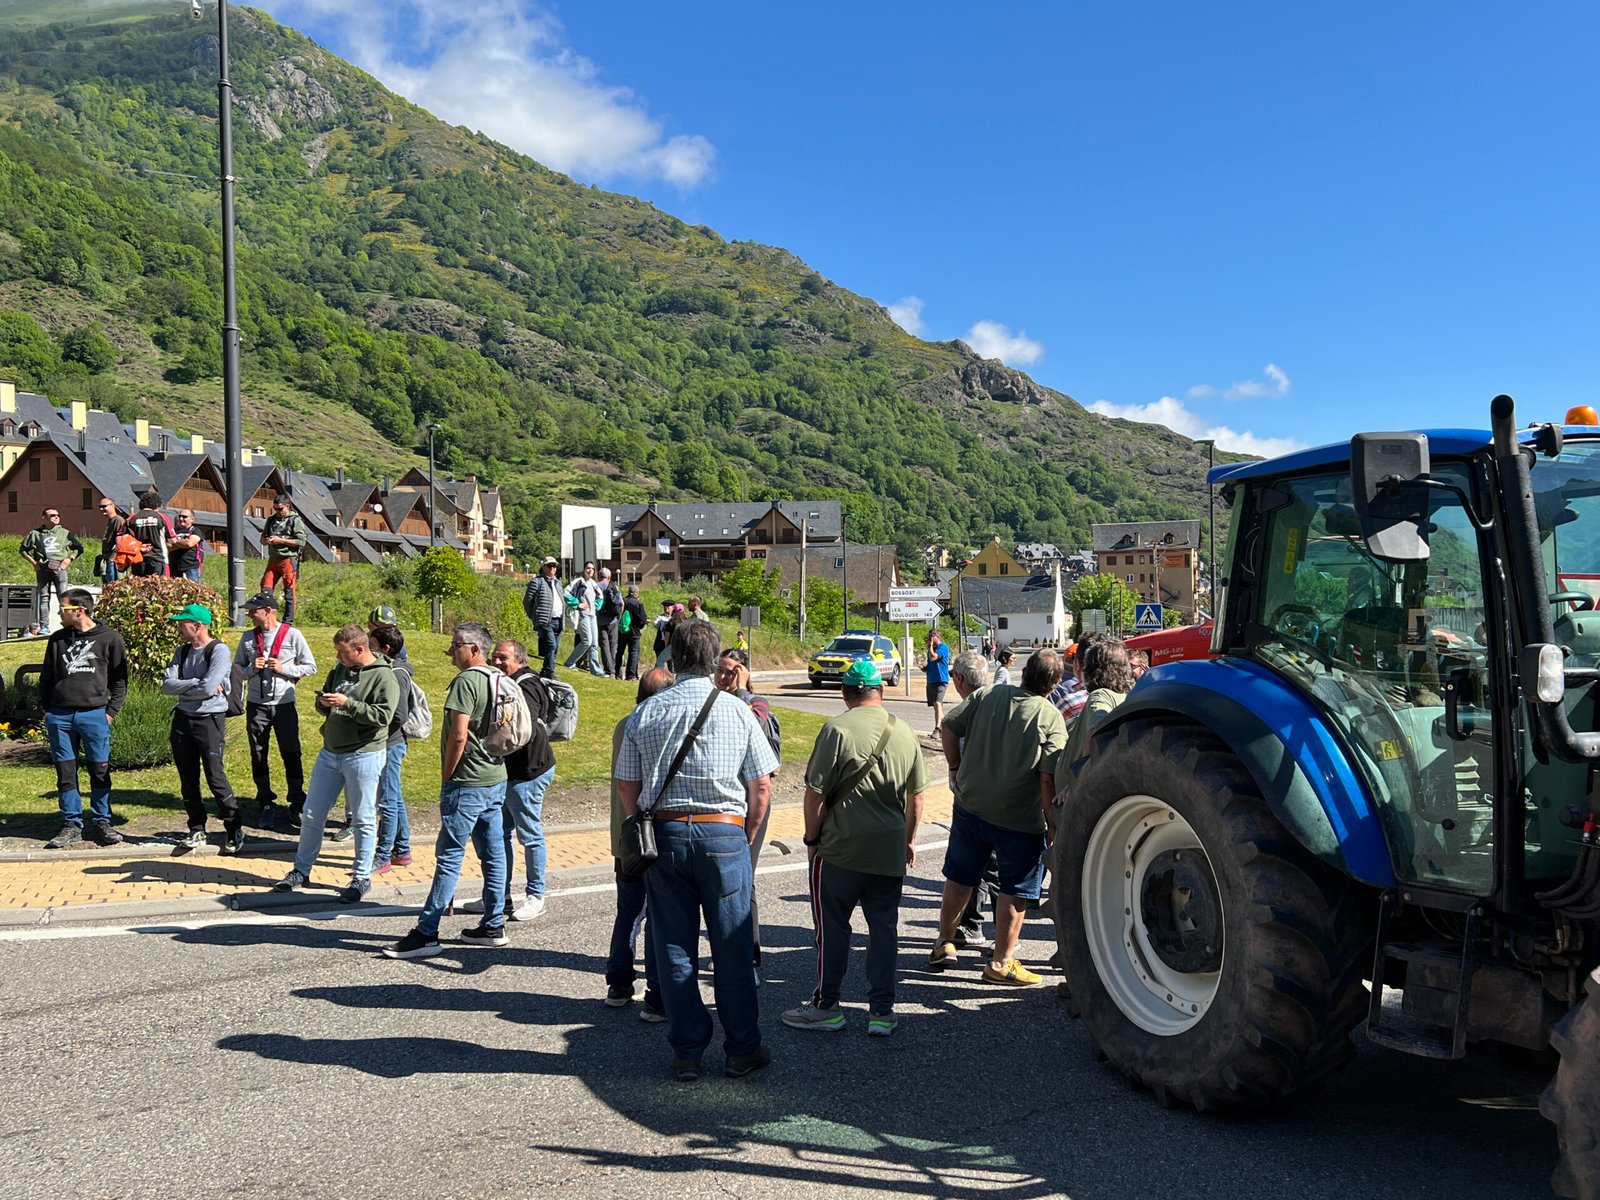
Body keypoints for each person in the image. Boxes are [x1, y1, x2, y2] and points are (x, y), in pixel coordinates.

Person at [615, 619, 779, 1081]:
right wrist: (745, 833)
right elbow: (761, 785)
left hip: (664, 834)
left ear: (673, 655)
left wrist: (640, 819)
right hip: (723, 832)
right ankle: (741, 1047)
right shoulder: (738, 711)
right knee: (731, 944)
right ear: (714, 659)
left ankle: (687, 1049)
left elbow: (627, 780)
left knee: (672, 943)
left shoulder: (646, 712)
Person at [783, 659, 927, 1036]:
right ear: (881, 690)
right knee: (884, 930)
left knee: (832, 927)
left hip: (841, 849)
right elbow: (917, 798)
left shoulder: (835, 730)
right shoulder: (905, 731)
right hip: (888, 850)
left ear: (845, 692)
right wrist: (909, 840)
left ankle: (827, 1006)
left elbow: (815, 794)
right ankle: (881, 1012)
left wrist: (812, 840)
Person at [929, 647, 1067, 985]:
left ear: (1024, 672)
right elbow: (1047, 778)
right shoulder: (1049, 717)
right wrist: (1052, 822)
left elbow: (948, 724)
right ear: (1054, 683)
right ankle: (1001, 962)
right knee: (1015, 888)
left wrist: (955, 766)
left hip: (971, 804)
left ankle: (945, 941)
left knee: (961, 876)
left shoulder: (989, 694)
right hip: (1019, 817)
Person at [384, 622, 511, 958]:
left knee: (450, 855)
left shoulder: (467, 682)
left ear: (474, 649)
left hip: (466, 782)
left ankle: (427, 931)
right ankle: (494, 923)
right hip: (495, 777)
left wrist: (447, 773)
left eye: (456, 645)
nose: (451, 651)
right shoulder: (498, 678)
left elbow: (459, 735)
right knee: (493, 853)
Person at [273, 625, 399, 902]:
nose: (339, 658)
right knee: (312, 814)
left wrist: (348, 704)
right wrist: (324, 702)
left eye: (343, 653)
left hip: (364, 754)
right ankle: (301, 870)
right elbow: (327, 700)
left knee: (364, 818)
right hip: (330, 752)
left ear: (360, 650)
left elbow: (384, 717)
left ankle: (361, 877)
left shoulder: (384, 677)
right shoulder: (339, 669)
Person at [605, 668, 674, 1016]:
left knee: (628, 912)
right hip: (654, 833)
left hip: (626, 837)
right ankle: (657, 993)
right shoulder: (659, 726)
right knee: (660, 917)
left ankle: (618, 982)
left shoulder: (624, 724)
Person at [39, 589, 128, 849]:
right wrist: (47, 711)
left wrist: (111, 712)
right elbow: (46, 678)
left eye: (63, 609)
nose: (58, 613)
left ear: (80, 610)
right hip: (60, 717)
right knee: (66, 773)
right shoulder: (57, 640)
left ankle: (102, 821)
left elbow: (120, 680)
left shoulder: (109, 638)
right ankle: (71, 824)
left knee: (99, 770)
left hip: (94, 716)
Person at [478, 638, 555, 921]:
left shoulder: (527, 685)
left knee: (529, 835)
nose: (496, 662)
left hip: (528, 772)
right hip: (508, 772)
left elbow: (523, 727)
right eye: (494, 657)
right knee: (498, 835)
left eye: (503, 658)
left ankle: (536, 896)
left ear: (519, 660)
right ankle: (499, 895)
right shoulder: (509, 682)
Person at [715, 645, 781, 972]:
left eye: (731, 671)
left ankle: (750, 955)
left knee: (744, 878)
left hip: (752, 800)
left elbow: (757, 731)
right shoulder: (713, 701)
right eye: (720, 670)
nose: (723, 677)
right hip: (722, 802)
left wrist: (741, 689)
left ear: (743, 673)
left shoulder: (756, 705)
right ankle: (727, 949)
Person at [161, 603, 242, 853]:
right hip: (183, 719)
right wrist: (196, 683)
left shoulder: (219, 651)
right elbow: (166, 685)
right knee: (188, 778)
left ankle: (234, 827)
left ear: (197, 626)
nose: (178, 628)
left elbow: (210, 690)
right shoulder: (181, 651)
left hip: (210, 721)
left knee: (215, 777)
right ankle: (196, 829)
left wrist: (188, 688)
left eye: (182, 623)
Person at [235, 591, 317, 831]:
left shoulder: (293, 635)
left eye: (253, 610)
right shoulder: (248, 638)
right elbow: (236, 670)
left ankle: (296, 803)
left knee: (291, 753)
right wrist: (251, 668)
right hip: (256, 705)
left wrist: (285, 668)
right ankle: (265, 802)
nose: (249, 614)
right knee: (258, 753)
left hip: (284, 704)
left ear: (268, 611)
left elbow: (311, 666)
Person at [945, 650, 1000, 953]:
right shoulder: (1000, 704)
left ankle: (973, 929)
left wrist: (954, 769)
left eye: (953, 676)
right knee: (991, 869)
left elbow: (961, 752)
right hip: (1004, 800)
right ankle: (982, 929)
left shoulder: (966, 711)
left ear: (961, 679)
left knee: (974, 868)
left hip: (975, 803)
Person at [368, 623, 414, 875]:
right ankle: (402, 850)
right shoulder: (386, 669)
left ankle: (383, 854)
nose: (367, 647)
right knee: (394, 797)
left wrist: (371, 724)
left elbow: (399, 714)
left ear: (385, 648)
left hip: (391, 744)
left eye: (372, 644)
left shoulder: (396, 674)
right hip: (388, 742)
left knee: (387, 801)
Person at [20, 507, 84, 631]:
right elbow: (23, 550)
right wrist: (34, 563)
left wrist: (69, 559)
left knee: (64, 597)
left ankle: (67, 624)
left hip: (59, 568)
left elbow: (79, 548)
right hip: (43, 569)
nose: (56, 517)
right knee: (43, 598)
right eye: (52, 515)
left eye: (58, 515)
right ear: (44, 518)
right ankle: (44, 626)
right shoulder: (35, 533)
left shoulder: (65, 533)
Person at [261, 494, 306, 624]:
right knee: (265, 590)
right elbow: (263, 539)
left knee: (289, 592)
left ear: (287, 506)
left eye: (280, 509)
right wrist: (265, 541)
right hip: (273, 559)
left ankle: (288, 622)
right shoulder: (270, 520)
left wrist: (280, 540)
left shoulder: (295, 520)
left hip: (288, 560)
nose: (278, 512)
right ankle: (267, 619)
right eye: (275, 509)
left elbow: (301, 542)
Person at [522, 556, 565, 679]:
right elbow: (527, 601)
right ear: (544, 567)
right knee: (551, 645)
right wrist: (534, 616)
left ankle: (546, 670)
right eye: (550, 566)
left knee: (555, 648)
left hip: (558, 620)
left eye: (555, 566)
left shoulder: (558, 583)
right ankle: (550, 672)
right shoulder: (537, 582)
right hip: (545, 620)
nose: (552, 568)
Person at [564, 561, 604, 675]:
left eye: (592, 568)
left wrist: (596, 606)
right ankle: (570, 662)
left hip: (592, 616)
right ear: (584, 569)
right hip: (583, 615)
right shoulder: (578, 581)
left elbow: (600, 597)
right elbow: (566, 593)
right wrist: (577, 604)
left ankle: (596, 670)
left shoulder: (594, 584)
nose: (590, 570)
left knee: (594, 644)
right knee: (587, 641)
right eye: (588, 568)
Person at [126, 492, 173, 579]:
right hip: (158, 558)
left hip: (138, 558)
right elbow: (172, 540)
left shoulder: (131, 518)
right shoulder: (162, 517)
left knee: (139, 588)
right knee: (158, 587)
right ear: (157, 505)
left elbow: (124, 538)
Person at [922, 629, 951, 738]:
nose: (930, 640)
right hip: (931, 679)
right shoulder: (931, 649)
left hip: (941, 679)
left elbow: (934, 657)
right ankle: (943, 728)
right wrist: (926, 668)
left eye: (931, 637)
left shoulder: (943, 647)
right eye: (929, 638)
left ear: (936, 637)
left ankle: (937, 729)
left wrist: (930, 647)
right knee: (935, 705)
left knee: (938, 703)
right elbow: (931, 662)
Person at [596, 567, 623, 678]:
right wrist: (618, 617)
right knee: (613, 645)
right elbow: (621, 604)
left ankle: (609, 670)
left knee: (604, 645)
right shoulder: (614, 587)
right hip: (613, 620)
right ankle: (614, 669)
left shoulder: (595, 586)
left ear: (599, 576)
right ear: (609, 577)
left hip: (600, 620)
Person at [618, 585, 648, 680]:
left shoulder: (623, 601)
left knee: (619, 652)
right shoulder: (638, 603)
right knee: (633, 653)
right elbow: (643, 619)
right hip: (634, 632)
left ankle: (617, 673)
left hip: (622, 631)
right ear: (637, 593)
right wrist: (639, 626)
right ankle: (631, 675)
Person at [168, 510, 204, 582]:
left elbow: (189, 543)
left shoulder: (195, 530)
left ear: (192, 519)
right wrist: (183, 543)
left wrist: (174, 542)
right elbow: (167, 546)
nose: (181, 519)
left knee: (192, 592)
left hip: (190, 568)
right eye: (180, 516)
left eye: (184, 517)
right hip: (174, 568)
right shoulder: (172, 532)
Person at [96, 497, 126, 583]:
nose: (102, 509)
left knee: (114, 587)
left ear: (113, 506)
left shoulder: (118, 520)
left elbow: (121, 542)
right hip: (107, 559)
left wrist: (111, 559)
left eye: (104, 506)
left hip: (114, 562)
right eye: (100, 507)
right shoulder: (110, 521)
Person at [652, 599, 675, 670]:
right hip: (660, 644)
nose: (666, 608)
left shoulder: (676, 618)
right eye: (664, 606)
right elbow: (655, 624)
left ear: (673, 607)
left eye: (668, 606)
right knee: (659, 664)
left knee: (671, 666)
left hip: (671, 645)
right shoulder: (660, 617)